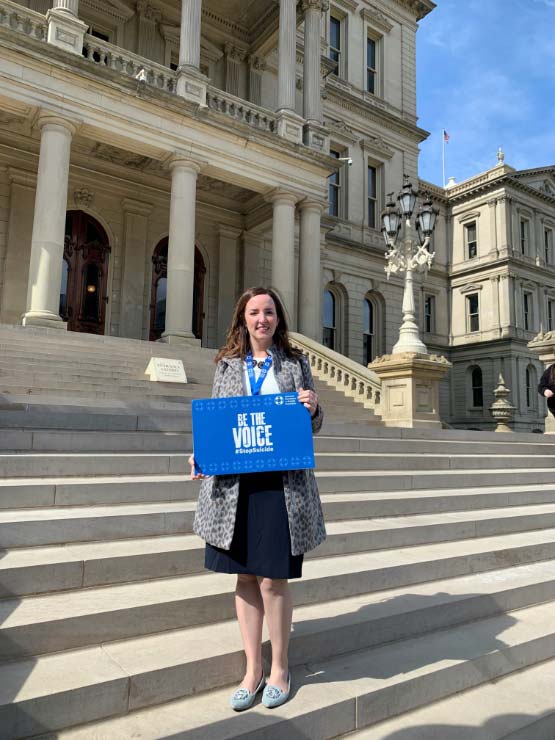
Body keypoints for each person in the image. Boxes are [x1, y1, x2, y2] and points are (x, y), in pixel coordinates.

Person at [189, 286, 326, 711]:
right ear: (243, 319)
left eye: (268, 312)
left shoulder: (296, 364)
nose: (261, 319)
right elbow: (215, 420)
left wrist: (313, 406)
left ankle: (281, 667)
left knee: (273, 578)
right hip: (235, 487)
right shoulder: (227, 366)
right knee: (245, 577)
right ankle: (253, 670)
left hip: (280, 485)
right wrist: (200, 454)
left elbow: (313, 424)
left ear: (278, 319)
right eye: (254, 312)